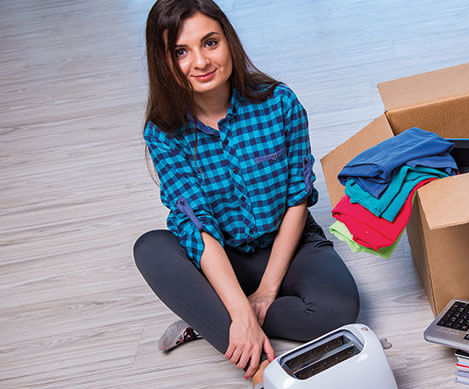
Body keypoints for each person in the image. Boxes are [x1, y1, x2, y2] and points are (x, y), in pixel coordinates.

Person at [132, 0, 360, 386]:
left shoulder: (280, 103)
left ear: (229, 41)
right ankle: (255, 363)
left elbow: (296, 199)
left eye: (210, 42)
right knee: (151, 248)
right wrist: (240, 311)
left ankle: (207, 319)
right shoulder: (163, 132)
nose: (201, 62)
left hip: (291, 243)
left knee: (339, 311)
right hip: (222, 256)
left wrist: (267, 291)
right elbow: (196, 224)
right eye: (181, 52)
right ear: (164, 61)